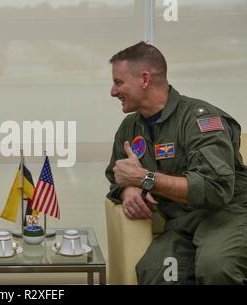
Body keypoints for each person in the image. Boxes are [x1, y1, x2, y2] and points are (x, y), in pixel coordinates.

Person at [105, 42, 247, 284]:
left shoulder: (201, 120)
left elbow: (215, 189)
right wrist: (129, 189)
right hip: (181, 224)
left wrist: (144, 179)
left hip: (226, 216)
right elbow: (116, 175)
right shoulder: (130, 128)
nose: (113, 91)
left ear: (145, 79)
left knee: (216, 267)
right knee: (155, 271)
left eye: (119, 82)